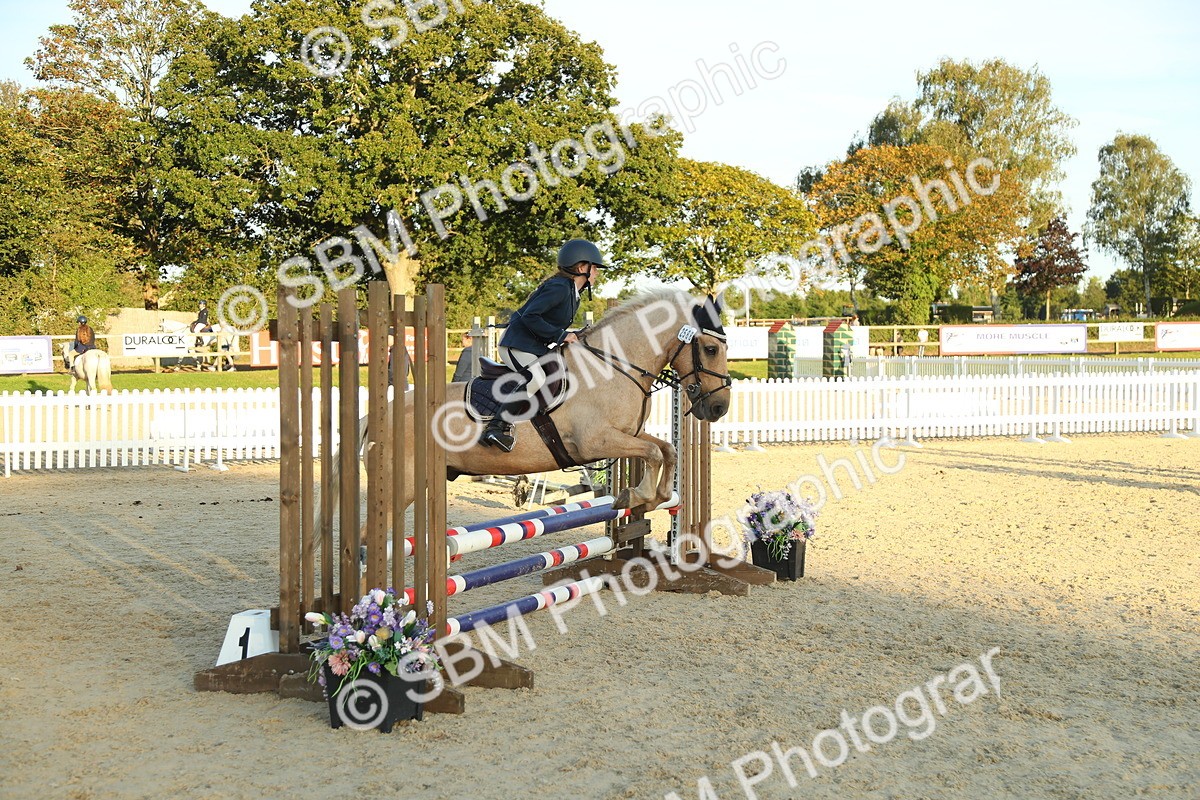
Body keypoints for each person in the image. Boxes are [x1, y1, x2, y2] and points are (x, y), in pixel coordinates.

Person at [479, 239, 606, 452]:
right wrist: (562, 335)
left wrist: (572, 335)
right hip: (516, 344)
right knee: (536, 377)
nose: (597, 273)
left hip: (532, 346)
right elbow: (531, 316)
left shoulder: (572, 293)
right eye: (594, 268)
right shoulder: (559, 287)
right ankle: (496, 427)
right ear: (581, 268)